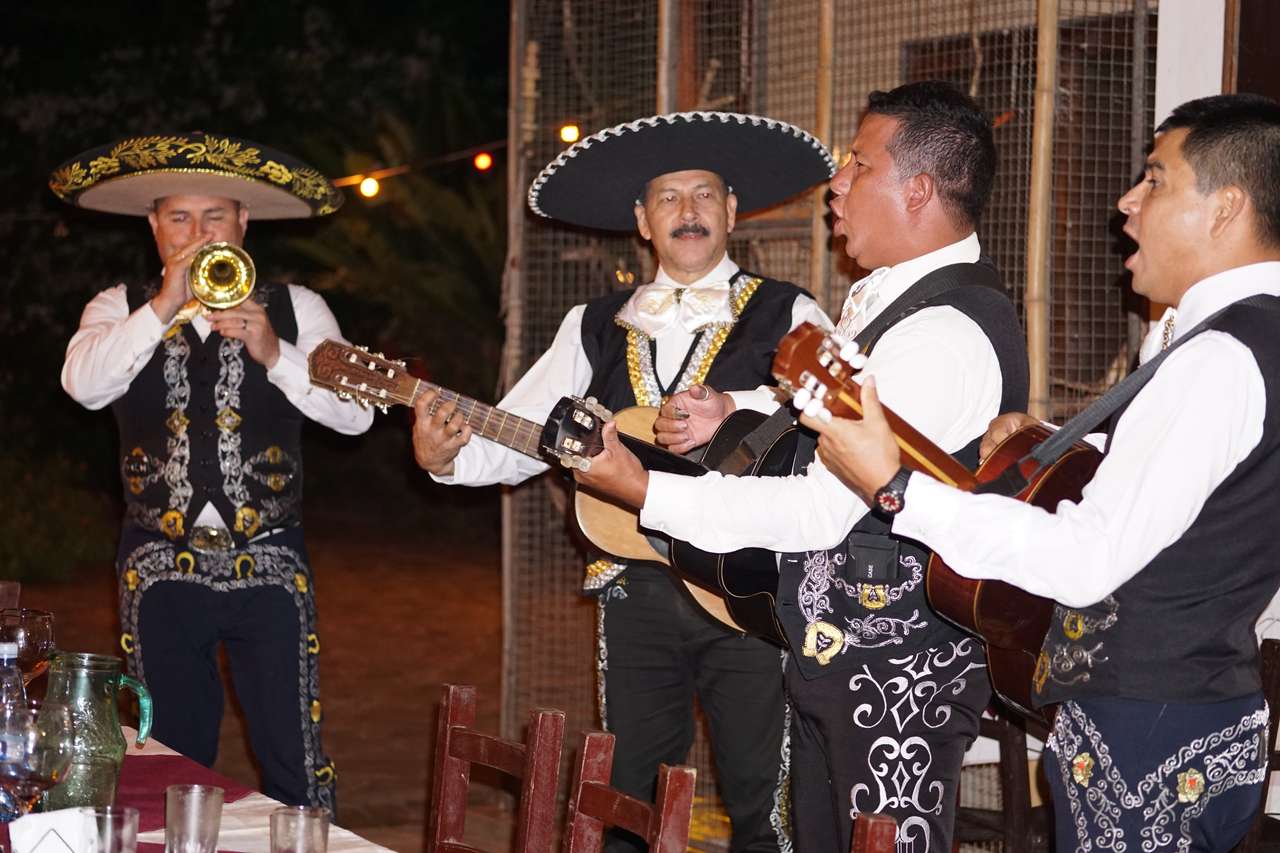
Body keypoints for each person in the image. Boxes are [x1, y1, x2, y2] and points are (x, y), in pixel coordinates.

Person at [796, 92, 1280, 851]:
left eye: (1155, 180)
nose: (1127, 201)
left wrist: (896, 487)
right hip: (1207, 712)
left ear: (1225, 208)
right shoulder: (1251, 341)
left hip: (1144, 729)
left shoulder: (1217, 359)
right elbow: (1205, 492)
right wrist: (1055, 437)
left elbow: (1088, 558)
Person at [576, 81, 1029, 853]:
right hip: (843, 657)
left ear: (917, 190)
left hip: (896, 679)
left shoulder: (940, 333)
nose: (838, 182)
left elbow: (825, 507)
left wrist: (648, 490)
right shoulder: (889, 309)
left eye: (858, 164)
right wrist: (739, 410)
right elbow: (822, 425)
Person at [412, 111, 834, 852]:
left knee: (761, 797)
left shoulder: (787, 310)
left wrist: (737, 404)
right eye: (668, 198)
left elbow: (841, 405)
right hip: (633, 592)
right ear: (642, 220)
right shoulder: (594, 323)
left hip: (753, 588)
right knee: (626, 798)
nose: (689, 213)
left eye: (704, 195)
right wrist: (446, 456)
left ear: (732, 210)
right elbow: (521, 431)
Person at [55, 132, 372, 811]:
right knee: (169, 754)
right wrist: (164, 305)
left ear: (243, 224)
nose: (197, 234)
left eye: (215, 217)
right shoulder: (117, 307)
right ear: (154, 226)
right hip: (157, 567)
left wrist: (275, 351)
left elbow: (357, 418)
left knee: (295, 754)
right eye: (179, 218)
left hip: (270, 564)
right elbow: (83, 386)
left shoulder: (299, 308)